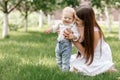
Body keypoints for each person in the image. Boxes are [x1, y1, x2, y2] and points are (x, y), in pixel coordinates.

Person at [63, 5, 117, 76]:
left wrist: (73, 39)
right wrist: (65, 33)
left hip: (96, 55)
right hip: (85, 54)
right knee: (68, 62)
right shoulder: (78, 25)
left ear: (86, 21)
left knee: (84, 69)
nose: (74, 21)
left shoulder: (95, 32)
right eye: (75, 18)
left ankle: (107, 68)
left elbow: (87, 54)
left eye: (77, 20)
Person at [44, 7, 80, 71]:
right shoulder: (60, 23)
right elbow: (54, 27)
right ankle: (60, 69)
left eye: (69, 18)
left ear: (73, 19)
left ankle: (65, 71)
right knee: (58, 58)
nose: (67, 19)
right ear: (62, 17)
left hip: (67, 45)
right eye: (65, 17)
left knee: (65, 59)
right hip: (59, 44)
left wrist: (73, 36)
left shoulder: (72, 26)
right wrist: (49, 30)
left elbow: (77, 34)